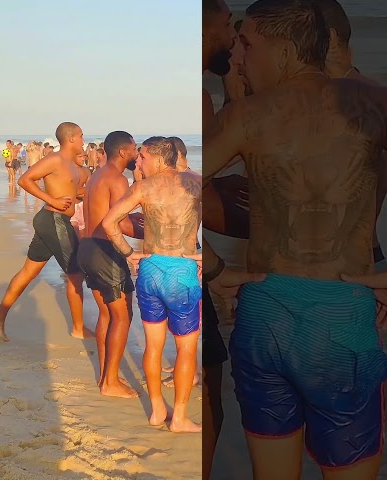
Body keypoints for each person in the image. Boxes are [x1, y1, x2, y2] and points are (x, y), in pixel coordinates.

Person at [203, 0, 387, 478]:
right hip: (344, 315)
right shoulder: (373, 106)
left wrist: (214, 269)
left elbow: (169, 190)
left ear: (284, 50)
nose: (239, 57)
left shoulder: (246, 115)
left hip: (265, 312)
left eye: (248, 44)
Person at [101, 137, 201, 433]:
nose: (138, 162)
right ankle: (179, 418)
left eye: (142, 157)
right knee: (186, 348)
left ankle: (158, 408)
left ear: (159, 159)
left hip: (151, 270)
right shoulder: (194, 184)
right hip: (181, 271)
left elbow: (110, 223)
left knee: (153, 345)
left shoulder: (142, 187)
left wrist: (131, 254)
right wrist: (203, 254)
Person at [0, 122, 95, 342]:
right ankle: (78, 328)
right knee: (76, 274)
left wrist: (91, 192)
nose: (84, 140)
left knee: (29, 272)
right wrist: (52, 200)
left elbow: (71, 191)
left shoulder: (72, 165)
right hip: (54, 220)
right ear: (72, 138)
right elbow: (24, 179)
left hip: (53, 222)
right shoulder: (55, 159)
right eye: (82, 136)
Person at [77, 131, 145, 398]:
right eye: (134, 150)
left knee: (106, 314)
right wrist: (151, 230)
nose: (137, 154)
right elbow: (120, 224)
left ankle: (106, 375)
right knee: (123, 315)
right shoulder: (118, 179)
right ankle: (110, 382)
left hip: (87, 248)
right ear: (122, 152)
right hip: (106, 251)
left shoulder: (96, 176)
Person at [200, 0, 237, 475]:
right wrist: (217, 268)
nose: (232, 36)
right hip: (185, 258)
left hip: (164, 254)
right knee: (210, 387)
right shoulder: (195, 94)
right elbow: (195, 191)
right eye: (228, 25)